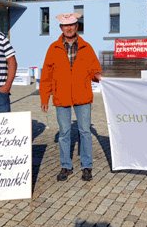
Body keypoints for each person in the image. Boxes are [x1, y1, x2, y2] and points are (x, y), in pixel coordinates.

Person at [39, 13, 102, 182]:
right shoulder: (53, 48)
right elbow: (46, 75)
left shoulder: (86, 47)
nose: (68, 28)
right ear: (61, 28)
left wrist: (99, 76)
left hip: (83, 96)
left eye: (72, 25)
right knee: (64, 133)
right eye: (65, 26)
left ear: (77, 27)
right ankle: (66, 166)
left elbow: (95, 70)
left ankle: (86, 166)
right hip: (61, 96)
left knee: (85, 132)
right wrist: (44, 97)